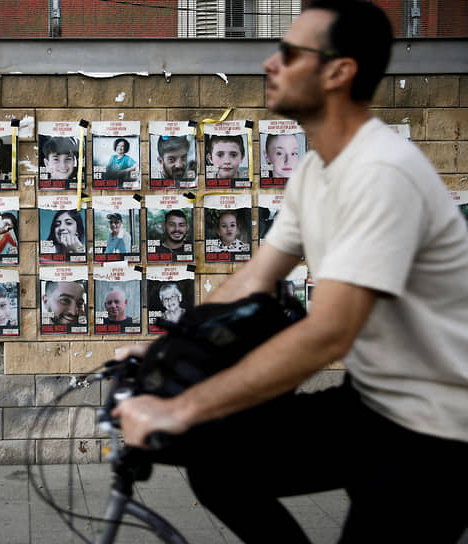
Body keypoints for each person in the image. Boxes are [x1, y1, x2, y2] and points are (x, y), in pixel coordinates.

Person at [112, 2, 468, 542]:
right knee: (216, 462)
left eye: (289, 53)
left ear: (338, 72)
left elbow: (328, 333)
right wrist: (167, 349)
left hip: (436, 429)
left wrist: (182, 407)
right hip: (371, 400)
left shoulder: (380, 173)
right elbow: (252, 280)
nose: (269, 63)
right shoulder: (316, 169)